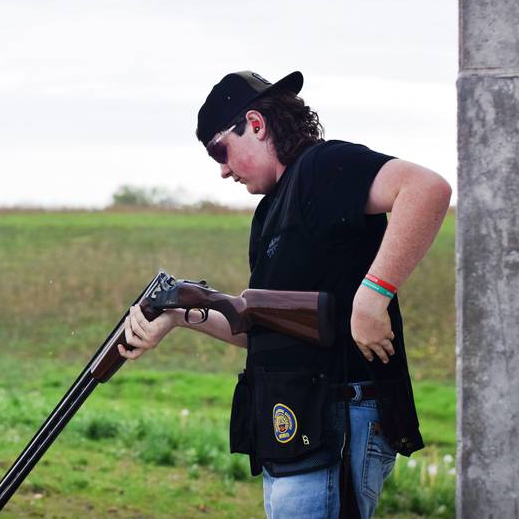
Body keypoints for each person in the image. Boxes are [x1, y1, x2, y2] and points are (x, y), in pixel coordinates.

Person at [117, 70, 452, 518]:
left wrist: (373, 294)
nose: (221, 170)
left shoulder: (319, 167)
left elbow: (427, 189)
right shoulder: (270, 211)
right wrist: (179, 316)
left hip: (334, 419)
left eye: (221, 150)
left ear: (255, 124)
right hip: (296, 425)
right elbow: (261, 329)